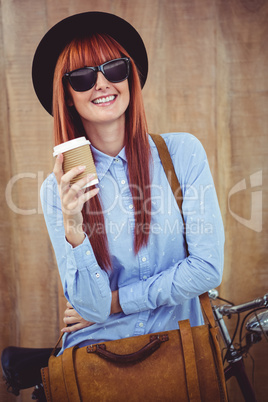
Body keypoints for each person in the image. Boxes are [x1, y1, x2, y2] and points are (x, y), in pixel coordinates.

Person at [2, 10, 224, 397]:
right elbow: (89, 307)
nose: (102, 83)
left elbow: (206, 269)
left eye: (114, 68)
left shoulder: (182, 153)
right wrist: (73, 227)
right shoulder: (57, 192)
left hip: (182, 349)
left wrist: (118, 302)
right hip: (98, 364)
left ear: (130, 76)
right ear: (67, 96)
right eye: (83, 77)